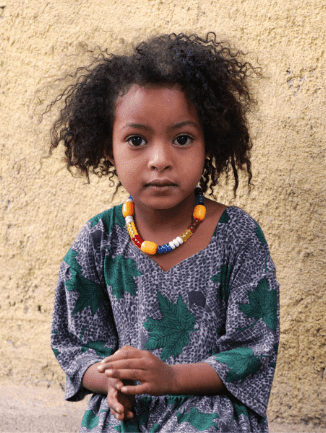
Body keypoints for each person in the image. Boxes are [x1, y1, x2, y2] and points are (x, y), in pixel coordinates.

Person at [48, 33, 279, 433]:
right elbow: (74, 344)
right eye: (136, 140)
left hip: (210, 414)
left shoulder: (237, 237)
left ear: (209, 143)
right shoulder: (100, 238)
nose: (160, 160)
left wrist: (171, 378)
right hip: (127, 412)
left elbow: (254, 349)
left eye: (182, 139)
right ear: (109, 149)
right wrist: (112, 382)